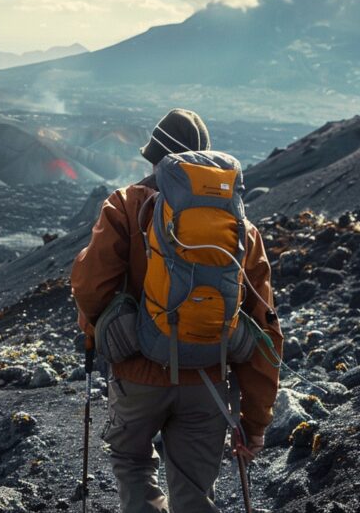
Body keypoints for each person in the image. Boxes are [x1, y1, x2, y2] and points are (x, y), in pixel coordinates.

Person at [71, 109, 283, 513]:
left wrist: (106, 332)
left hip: (138, 377)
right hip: (207, 382)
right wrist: (254, 423)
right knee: (193, 490)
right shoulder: (240, 229)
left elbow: (88, 285)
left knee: (132, 462)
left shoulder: (125, 206)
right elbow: (264, 329)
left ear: (155, 158)